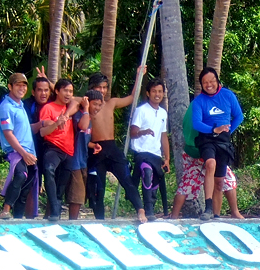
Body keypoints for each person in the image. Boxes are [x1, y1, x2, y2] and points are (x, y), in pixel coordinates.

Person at [87, 70, 147, 223]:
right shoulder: (86, 104)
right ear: (92, 88)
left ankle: (140, 210)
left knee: (127, 180)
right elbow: (66, 95)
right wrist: (50, 83)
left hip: (112, 148)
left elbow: (132, 98)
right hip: (96, 149)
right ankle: (100, 220)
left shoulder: (111, 103)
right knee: (98, 189)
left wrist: (138, 75)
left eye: (104, 87)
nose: (102, 91)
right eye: (99, 87)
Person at [170, 103, 244, 220]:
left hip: (213, 151)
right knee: (187, 184)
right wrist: (200, 148)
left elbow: (235, 119)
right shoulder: (198, 106)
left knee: (227, 179)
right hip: (196, 152)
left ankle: (230, 212)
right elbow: (190, 131)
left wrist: (225, 134)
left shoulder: (215, 106)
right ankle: (174, 216)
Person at [189, 67, 243, 220]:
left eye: (212, 81)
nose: (209, 84)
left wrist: (228, 130)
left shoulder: (228, 95)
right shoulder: (199, 101)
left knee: (219, 181)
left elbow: (239, 116)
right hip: (207, 139)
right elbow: (196, 123)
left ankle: (216, 215)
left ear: (217, 80)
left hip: (223, 141)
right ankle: (207, 207)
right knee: (210, 164)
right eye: (205, 82)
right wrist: (214, 129)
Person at [37, 78, 85, 221]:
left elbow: (81, 100)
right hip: (53, 147)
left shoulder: (71, 107)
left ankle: (54, 213)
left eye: (71, 91)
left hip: (69, 151)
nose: (68, 94)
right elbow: (42, 132)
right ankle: (55, 208)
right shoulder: (48, 107)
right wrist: (57, 123)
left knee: (61, 185)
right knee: (49, 169)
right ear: (57, 91)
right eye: (65, 90)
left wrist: (66, 114)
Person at [0, 73, 38, 219]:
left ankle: (18, 218)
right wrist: (23, 153)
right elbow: (8, 133)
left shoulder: (20, 106)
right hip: (16, 151)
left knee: (26, 186)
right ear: (10, 86)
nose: (22, 88)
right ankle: (5, 210)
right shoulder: (6, 107)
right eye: (18, 85)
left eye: (24, 85)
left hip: (29, 152)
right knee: (20, 175)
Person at [130, 79, 170, 220]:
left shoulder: (163, 113)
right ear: (148, 93)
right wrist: (143, 132)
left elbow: (163, 136)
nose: (157, 94)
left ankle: (151, 205)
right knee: (147, 173)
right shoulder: (141, 111)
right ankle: (147, 209)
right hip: (142, 153)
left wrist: (167, 158)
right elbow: (132, 133)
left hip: (156, 154)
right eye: (154, 91)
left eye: (160, 91)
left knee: (155, 180)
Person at [63, 90, 99, 220]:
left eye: (100, 105)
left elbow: (84, 138)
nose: (97, 108)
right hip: (74, 160)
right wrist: (86, 108)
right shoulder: (81, 114)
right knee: (76, 196)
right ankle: (72, 222)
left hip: (83, 160)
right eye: (95, 104)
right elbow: (82, 126)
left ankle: (72, 220)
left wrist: (93, 145)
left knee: (79, 196)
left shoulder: (88, 116)